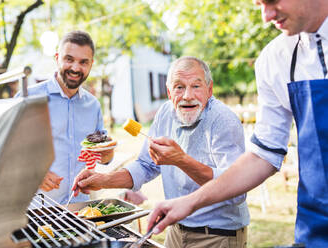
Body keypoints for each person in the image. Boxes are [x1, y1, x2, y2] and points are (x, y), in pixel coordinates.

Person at [147, 1, 328, 247]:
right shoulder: (274, 60)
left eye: (272, 1)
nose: (266, 16)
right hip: (316, 226)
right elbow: (263, 155)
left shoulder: (222, 117)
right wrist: (189, 201)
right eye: (260, 4)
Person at [73, 56, 249, 248]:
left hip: (217, 235)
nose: (187, 95)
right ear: (168, 91)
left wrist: (181, 160)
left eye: (196, 86)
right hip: (176, 230)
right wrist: (104, 180)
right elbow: (145, 165)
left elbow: (236, 191)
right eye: (179, 87)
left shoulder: (223, 121)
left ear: (210, 89)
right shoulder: (166, 113)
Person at [15, 30, 113, 205]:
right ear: (57, 58)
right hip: (36, 210)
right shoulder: (27, 98)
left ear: (92, 64)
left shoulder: (93, 105)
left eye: (83, 62)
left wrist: (107, 154)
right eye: (69, 59)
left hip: (79, 209)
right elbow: (6, 153)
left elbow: (102, 155)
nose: (76, 68)